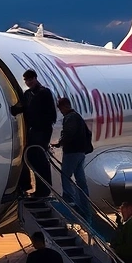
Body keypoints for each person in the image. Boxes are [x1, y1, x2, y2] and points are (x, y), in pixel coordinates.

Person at [10, 69, 57, 197]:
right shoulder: (28, 94)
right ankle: (33, 186)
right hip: (33, 130)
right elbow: (22, 107)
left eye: (30, 79)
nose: (28, 82)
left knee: (39, 157)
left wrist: (42, 124)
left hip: (42, 130)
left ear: (35, 79)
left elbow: (52, 114)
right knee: (31, 157)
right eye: (26, 80)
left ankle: (45, 189)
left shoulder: (44, 93)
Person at [51, 96, 92, 224]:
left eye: (60, 108)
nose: (60, 111)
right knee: (80, 179)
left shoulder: (70, 118)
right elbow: (88, 133)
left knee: (66, 176)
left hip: (72, 152)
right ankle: (85, 206)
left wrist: (59, 144)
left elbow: (69, 133)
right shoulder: (77, 116)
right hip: (80, 152)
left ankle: (69, 200)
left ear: (64, 106)